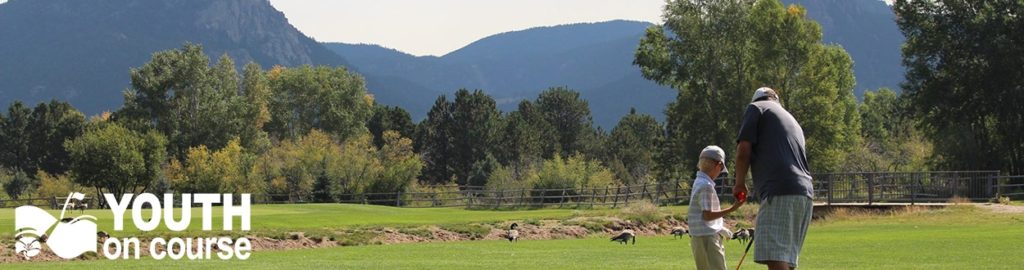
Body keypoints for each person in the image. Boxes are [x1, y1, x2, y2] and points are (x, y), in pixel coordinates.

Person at [732, 87, 814, 270]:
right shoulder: (790, 119)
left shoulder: (756, 108)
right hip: (804, 192)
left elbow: (743, 150)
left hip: (779, 189)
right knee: (786, 259)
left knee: (774, 256)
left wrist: (739, 183)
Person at [688, 145, 744, 270]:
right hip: (707, 238)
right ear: (718, 165)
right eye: (721, 169)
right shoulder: (706, 185)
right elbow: (707, 215)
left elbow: (703, 217)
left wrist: (720, 228)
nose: (719, 173)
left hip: (701, 236)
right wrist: (732, 208)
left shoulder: (698, 182)